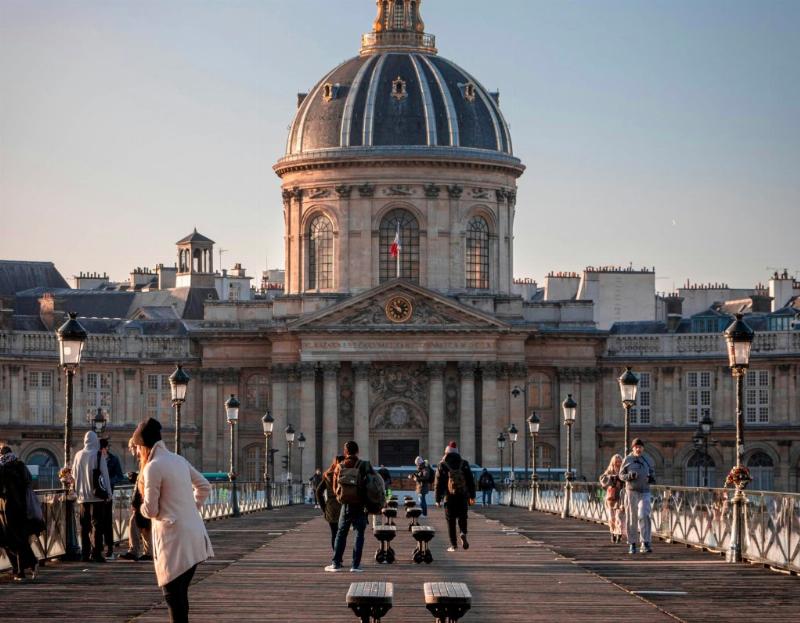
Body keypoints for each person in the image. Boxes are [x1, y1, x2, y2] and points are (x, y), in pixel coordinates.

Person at [136, 418, 214, 623]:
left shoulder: (152, 467)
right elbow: (204, 486)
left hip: (173, 539)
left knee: (172, 595)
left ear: (144, 446)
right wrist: (190, 508)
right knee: (180, 595)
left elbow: (151, 510)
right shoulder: (178, 460)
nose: (136, 453)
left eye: (137, 448)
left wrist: (139, 507)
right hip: (194, 535)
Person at [325, 440, 375, 573]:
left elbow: (335, 487)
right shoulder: (364, 465)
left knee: (341, 533)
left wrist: (342, 497)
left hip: (346, 505)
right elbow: (374, 484)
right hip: (361, 504)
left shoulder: (340, 466)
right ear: (357, 451)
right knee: (359, 534)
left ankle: (336, 563)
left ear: (345, 452)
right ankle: (355, 565)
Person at [72, 430, 111, 562]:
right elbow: (105, 475)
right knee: (97, 526)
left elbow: (74, 475)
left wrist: (76, 491)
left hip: (83, 496)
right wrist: (109, 493)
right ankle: (96, 553)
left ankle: (85, 553)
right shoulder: (98, 455)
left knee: (84, 526)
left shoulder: (78, 455)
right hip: (97, 495)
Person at [0, 446, 38, 581]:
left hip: (6, 509)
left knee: (8, 540)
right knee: (20, 538)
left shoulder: (2, 467)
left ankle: (21, 569)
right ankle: (25, 567)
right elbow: (29, 482)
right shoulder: (20, 465)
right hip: (22, 507)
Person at [434, 441, 476, 552]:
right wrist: (472, 496)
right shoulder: (464, 463)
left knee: (450, 521)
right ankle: (463, 533)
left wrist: (437, 499)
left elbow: (438, 483)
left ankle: (453, 545)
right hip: (462, 496)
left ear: (446, 452)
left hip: (449, 497)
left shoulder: (442, 464)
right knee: (463, 517)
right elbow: (470, 481)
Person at [620, 438, 655, 554]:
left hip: (645, 491)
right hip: (631, 491)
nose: (638, 449)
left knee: (644, 515)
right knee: (632, 517)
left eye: (640, 447)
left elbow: (652, 472)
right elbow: (621, 475)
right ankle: (632, 543)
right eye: (636, 447)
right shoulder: (627, 459)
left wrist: (651, 478)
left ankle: (645, 542)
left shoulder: (647, 459)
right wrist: (629, 476)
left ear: (643, 448)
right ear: (633, 448)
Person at [120, 438, 152, 562]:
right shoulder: (146, 460)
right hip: (145, 499)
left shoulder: (146, 460)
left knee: (136, 522)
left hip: (143, 499)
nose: (131, 451)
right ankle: (148, 552)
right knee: (145, 525)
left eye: (132, 448)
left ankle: (134, 551)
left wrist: (135, 501)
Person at [99, 438, 126, 560]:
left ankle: (109, 548)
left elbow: (120, 476)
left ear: (106, 448)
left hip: (108, 494)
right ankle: (98, 547)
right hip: (97, 494)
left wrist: (109, 482)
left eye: (102, 448)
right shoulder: (96, 458)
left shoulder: (113, 459)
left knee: (107, 521)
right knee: (98, 522)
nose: (101, 451)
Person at [315, 455, 343, 552]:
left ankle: (336, 556)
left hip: (331, 507)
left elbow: (318, 492)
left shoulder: (329, 475)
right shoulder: (347, 474)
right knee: (342, 534)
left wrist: (324, 508)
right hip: (343, 506)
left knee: (334, 533)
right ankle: (339, 555)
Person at [599, 454, 626, 543]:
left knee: (619, 517)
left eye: (620, 461)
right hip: (611, 497)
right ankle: (612, 532)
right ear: (613, 462)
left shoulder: (624, 470)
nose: (618, 463)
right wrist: (611, 478)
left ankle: (619, 534)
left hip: (621, 497)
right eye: (616, 462)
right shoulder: (609, 471)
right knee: (612, 518)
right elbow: (603, 481)